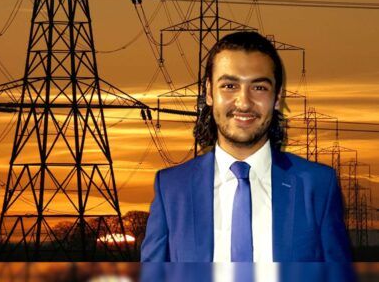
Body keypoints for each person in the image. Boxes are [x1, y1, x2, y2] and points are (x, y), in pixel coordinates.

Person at [140, 31, 352, 262]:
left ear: (278, 96)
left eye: (259, 87)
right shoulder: (172, 188)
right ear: (209, 92)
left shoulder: (318, 186)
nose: (244, 102)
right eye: (230, 86)